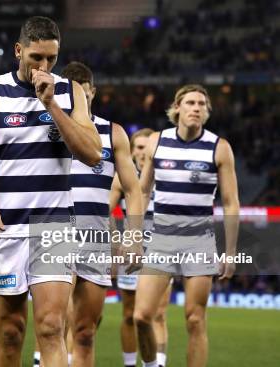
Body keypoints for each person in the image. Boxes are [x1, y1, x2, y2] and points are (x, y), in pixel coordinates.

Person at [0, 16, 102, 367]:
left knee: (52, 327)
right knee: (10, 331)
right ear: (18, 50)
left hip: (53, 226)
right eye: (36, 57)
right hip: (7, 228)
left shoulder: (71, 92)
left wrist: (51, 105)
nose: (44, 66)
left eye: (51, 59)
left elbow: (93, 152)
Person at [134, 84, 239, 367]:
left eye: (202, 104)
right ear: (177, 107)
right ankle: (152, 365)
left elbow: (231, 203)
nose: (196, 108)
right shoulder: (157, 141)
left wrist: (229, 253)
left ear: (206, 112)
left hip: (199, 242)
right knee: (141, 316)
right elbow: (143, 192)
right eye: (191, 102)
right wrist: (133, 237)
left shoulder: (220, 148)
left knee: (195, 319)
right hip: (162, 239)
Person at [60, 61, 143, 367]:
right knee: (53, 328)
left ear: (92, 93)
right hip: (53, 235)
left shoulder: (113, 133)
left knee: (84, 333)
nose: (78, 101)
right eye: (71, 95)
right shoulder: (48, 130)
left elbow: (134, 191)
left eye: (84, 94)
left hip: (94, 239)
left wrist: (133, 239)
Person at [108, 128, 172, 367]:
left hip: (161, 250)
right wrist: (117, 243)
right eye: (140, 147)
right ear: (133, 151)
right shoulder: (124, 177)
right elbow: (105, 210)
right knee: (128, 315)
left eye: (148, 147)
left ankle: (159, 364)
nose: (144, 152)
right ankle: (129, 364)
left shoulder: (166, 174)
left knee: (158, 313)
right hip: (131, 252)